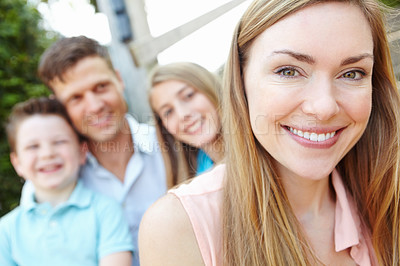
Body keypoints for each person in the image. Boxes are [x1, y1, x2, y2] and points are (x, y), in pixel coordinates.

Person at [139, 0, 400, 265]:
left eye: (352, 73)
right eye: (288, 71)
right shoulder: (179, 227)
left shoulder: (389, 198)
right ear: (240, 81)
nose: (324, 107)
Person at [21, 36, 166, 266]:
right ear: (59, 106)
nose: (95, 106)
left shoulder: (170, 148)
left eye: (101, 87)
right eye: (76, 97)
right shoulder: (49, 181)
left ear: (119, 80)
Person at [1, 97, 133, 266]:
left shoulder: (106, 212)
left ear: (82, 152)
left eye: (59, 142)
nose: (47, 154)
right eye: (33, 146)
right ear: (17, 163)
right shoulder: (6, 232)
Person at [148, 62, 224, 187]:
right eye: (168, 112)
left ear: (210, 87)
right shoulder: (196, 184)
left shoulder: (263, 143)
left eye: (188, 95)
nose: (182, 115)